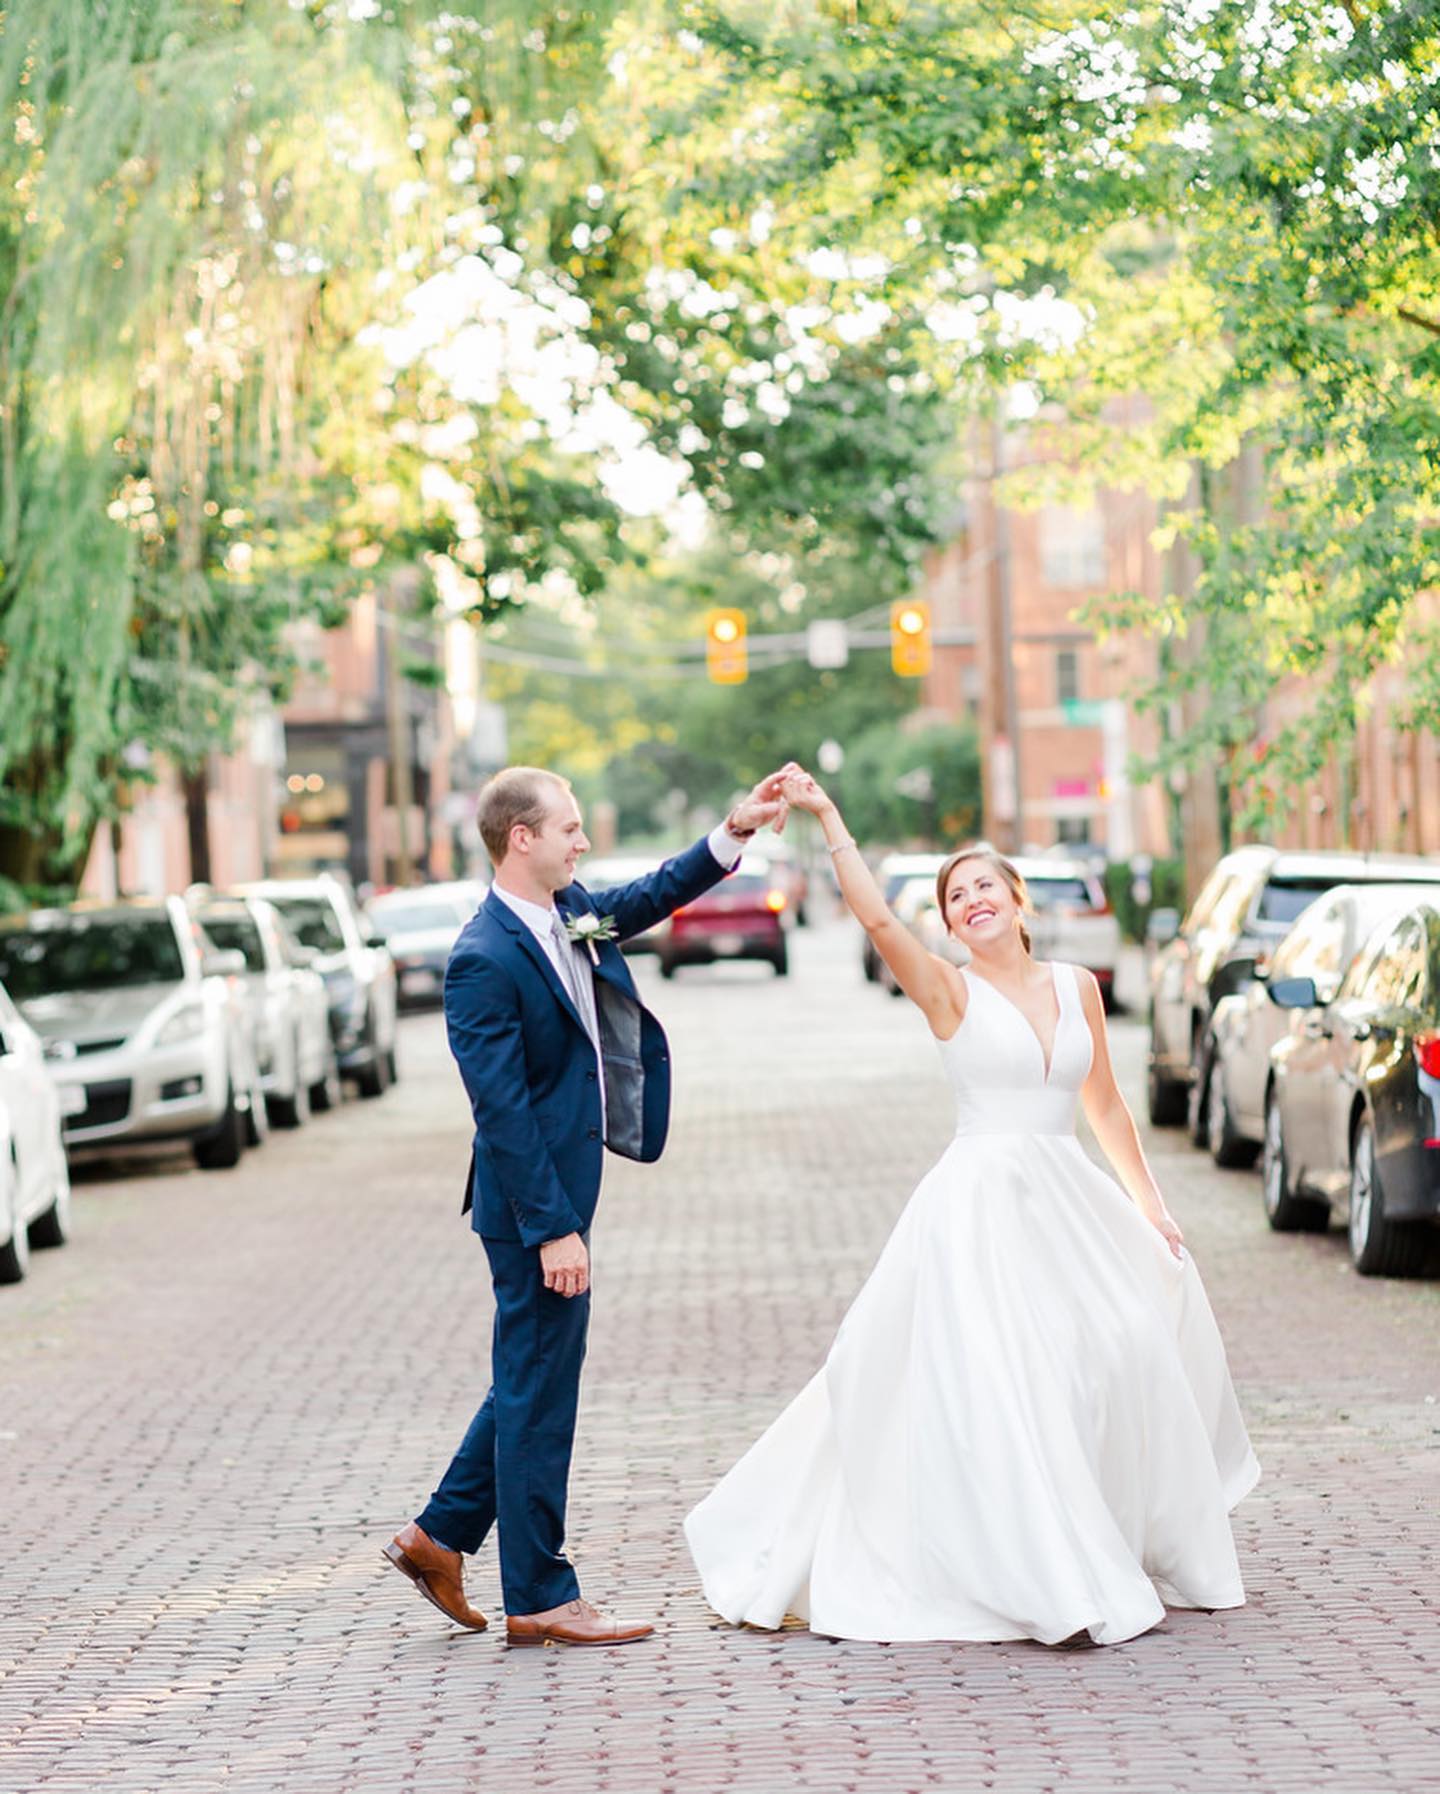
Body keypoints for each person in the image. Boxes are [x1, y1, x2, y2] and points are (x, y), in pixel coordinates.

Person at [685, 770, 1260, 1647]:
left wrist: (1152, 1207)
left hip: (1069, 1203)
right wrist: (831, 816)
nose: (972, 900)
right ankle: (1043, 1571)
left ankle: (1105, 1534)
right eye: (957, 897)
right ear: (951, 925)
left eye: (985, 884)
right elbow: (878, 920)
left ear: (1017, 899)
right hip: (978, 1211)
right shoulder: (949, 992)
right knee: (1010, 1379)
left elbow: (1104, 1106)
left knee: (1126, 1347)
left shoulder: (1080, 988)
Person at [386, 763, 791, 1648]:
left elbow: (649, 895)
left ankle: (439, 1537)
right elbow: (501, 1111)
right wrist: (554, 1228)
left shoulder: (573, 915)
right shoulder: (482, 958)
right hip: (534, 1210)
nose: (584, 841)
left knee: (529, 1383)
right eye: (569, 827)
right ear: (520, 838)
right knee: (538, 1396)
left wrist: (735, 830)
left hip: (562, 1198)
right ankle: (539, 1595)